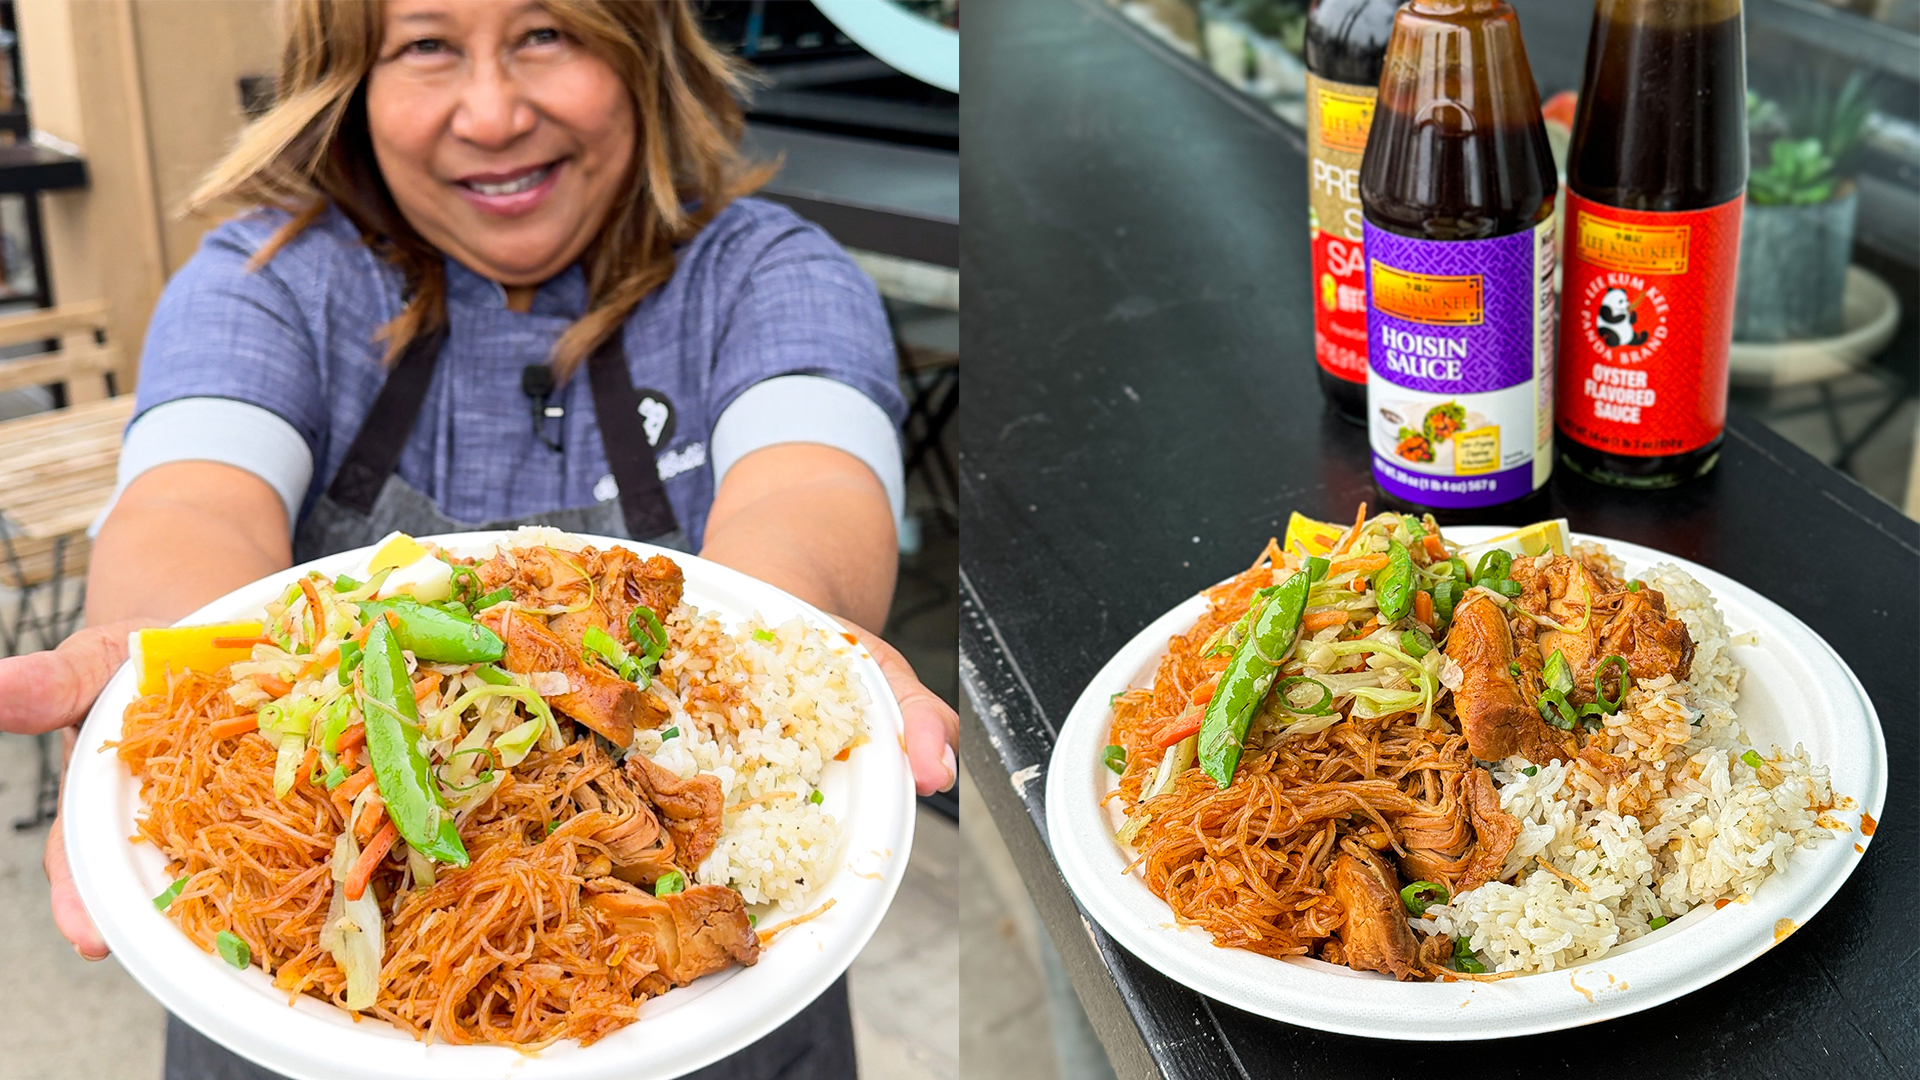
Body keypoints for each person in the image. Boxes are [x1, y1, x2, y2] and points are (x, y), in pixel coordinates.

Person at [0, 2, 957, 1078]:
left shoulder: (772, 270)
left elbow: (813, 476)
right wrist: (150, 635)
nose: (494, 114)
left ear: (642, 52)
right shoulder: (263, 277)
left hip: (703, 1027)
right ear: (349, 80)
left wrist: (781, 635)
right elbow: (194, 497)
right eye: (426, 45)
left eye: (548, 32)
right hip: (303, 1027)